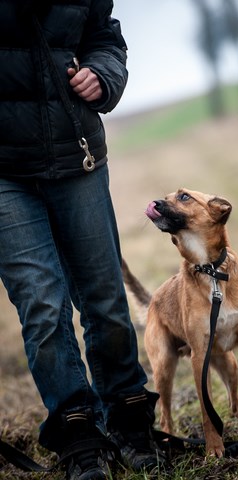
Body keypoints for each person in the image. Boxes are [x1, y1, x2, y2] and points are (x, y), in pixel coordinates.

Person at [0, 1, 164, 479]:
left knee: (106, 298)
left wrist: (102, 74)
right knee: (42, 306)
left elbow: (104, 38)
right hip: (3, 173)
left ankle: (132, 422)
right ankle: (78, 438)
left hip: (77, 157)